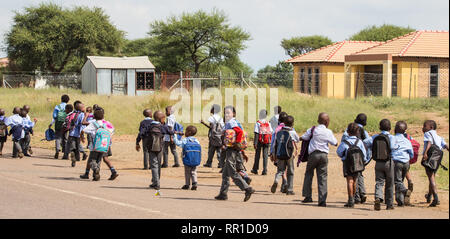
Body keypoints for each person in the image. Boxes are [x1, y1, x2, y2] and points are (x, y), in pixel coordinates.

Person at [215, 106, 255, 202]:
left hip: (232, 151)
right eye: (225, 113)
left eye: (229, 112)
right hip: (232, 150)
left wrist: (236, 143)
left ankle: (247, 189)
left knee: (232, 172)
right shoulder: (233, 121)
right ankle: (223, 193)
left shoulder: (231, 122)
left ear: (234, 114)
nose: (227, 114)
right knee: (225, 174)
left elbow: (239, 132)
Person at [300, 112, 338, 207]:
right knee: (322, 177)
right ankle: (322, 200)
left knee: (309, 174)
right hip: (324, 156)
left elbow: (304, 137)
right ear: (327, 122)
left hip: (313, 155)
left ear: (318, 121)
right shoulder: (328, 132)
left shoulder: (313, 129)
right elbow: (335, 143)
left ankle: (308, 196)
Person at [80, 107, 118, 180]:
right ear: (103, 116)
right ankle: (96, 176)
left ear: (94, 116)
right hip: (104, 146)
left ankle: (95, 170)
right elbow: (112, 131)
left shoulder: (93, 123)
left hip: (95, 146)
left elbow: (84, 130)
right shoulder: (107, 123)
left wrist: (82, 136)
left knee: (91, 160)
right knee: (99, 160)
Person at [337, 123, 368, 208]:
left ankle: (350, 199)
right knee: (355, 181)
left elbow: (339, 152)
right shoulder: (360, 142)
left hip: (347, 163)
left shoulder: (345, 142)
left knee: (349, 181)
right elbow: (364, 155)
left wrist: (343, 156)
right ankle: (354, 198)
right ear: (358, 132)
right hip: (357, 164)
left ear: (347, 132)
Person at [341, 113, 371, 204]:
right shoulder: (364, 132)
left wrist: (343, 157)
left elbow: (342, 144)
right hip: (360, 158)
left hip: (349, 159)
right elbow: (368, 142)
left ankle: (356, 197)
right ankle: (361, 193)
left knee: (351, 179)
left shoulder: (347, 131)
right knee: (358, 174)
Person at [368, 119, 396, 211]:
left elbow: (367, 143)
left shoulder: (375, 137)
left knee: (379, 182)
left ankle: (377, 198)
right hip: (389, 162)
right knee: (390, 183)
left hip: (378, 162)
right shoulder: (392, 137)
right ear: (390, 128)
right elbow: (392, 147)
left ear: (380, 127)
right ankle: (389, 204)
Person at [422, 120, 449, 207]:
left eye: (424, 126)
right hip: (438, 157)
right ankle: (429, 196)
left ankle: (436, 198)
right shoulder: (439, 137)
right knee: (432, 176)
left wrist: (425, 153)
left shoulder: (427, 133)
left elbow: (429, 142)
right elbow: (446, 146)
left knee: (431, 176)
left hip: (430, 156)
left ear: (431, 127)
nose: (423, 128)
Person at [271, 115, 299, 195]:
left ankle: (276, 180)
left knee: (280, 170)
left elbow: (275, 144)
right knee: (290, 171)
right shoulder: (292, 132)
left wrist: (274, 154)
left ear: (284, 123)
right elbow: (297, 140)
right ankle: (290, 189)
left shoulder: (279, 132)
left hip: (280, 154)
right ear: (292, 124)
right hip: (289, 155)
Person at [392, 121, 414, 207]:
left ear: (395, 129)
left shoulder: (392, 139)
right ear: (405, 131)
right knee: (400, 181)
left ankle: (405, 191)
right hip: (406, 163)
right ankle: (400, 201)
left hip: (397, 162)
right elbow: (411, 154)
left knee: (397, 181)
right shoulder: (407, 141)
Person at [174, 125, 200, 190]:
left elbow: (177, 143)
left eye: (186, 131)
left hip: (187, 159)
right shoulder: (196, 140)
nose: (185, 132)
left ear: (189, 132)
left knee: (187, 172)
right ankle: (194, 182)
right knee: (194, 171)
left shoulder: (185, 140)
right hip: (195, 159)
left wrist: (174, 135)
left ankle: (187, 184)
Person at [269, 112, 289, 193]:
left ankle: (280, 182)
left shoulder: (277, 129)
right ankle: (285, 185)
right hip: (288, 152)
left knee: (280, 169)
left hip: (279, 152)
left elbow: (273, 142)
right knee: (286, 169)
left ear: (278, 120)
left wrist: (271, 153)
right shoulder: (290, 128)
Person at [251, 109, 273, 175]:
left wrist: (255, 143)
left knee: (257, 155)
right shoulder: (268, 123)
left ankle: (255, 169)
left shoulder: (258, 123)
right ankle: (265, 170)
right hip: (267, 140)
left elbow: (256, 133)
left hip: (259, 141)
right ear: (266, 115)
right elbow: (271, 131)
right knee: (265, 155)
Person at [67, 102, 86, 167]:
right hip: (78, 134)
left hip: (71, 133)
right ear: (81, 108)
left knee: (72, 148)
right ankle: (77, 158)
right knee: (77, 147)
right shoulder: (82, 115)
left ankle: (73, 158)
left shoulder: (72, 113)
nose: (84, 108)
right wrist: (82, 135)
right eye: (83, 107)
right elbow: (82, 125)